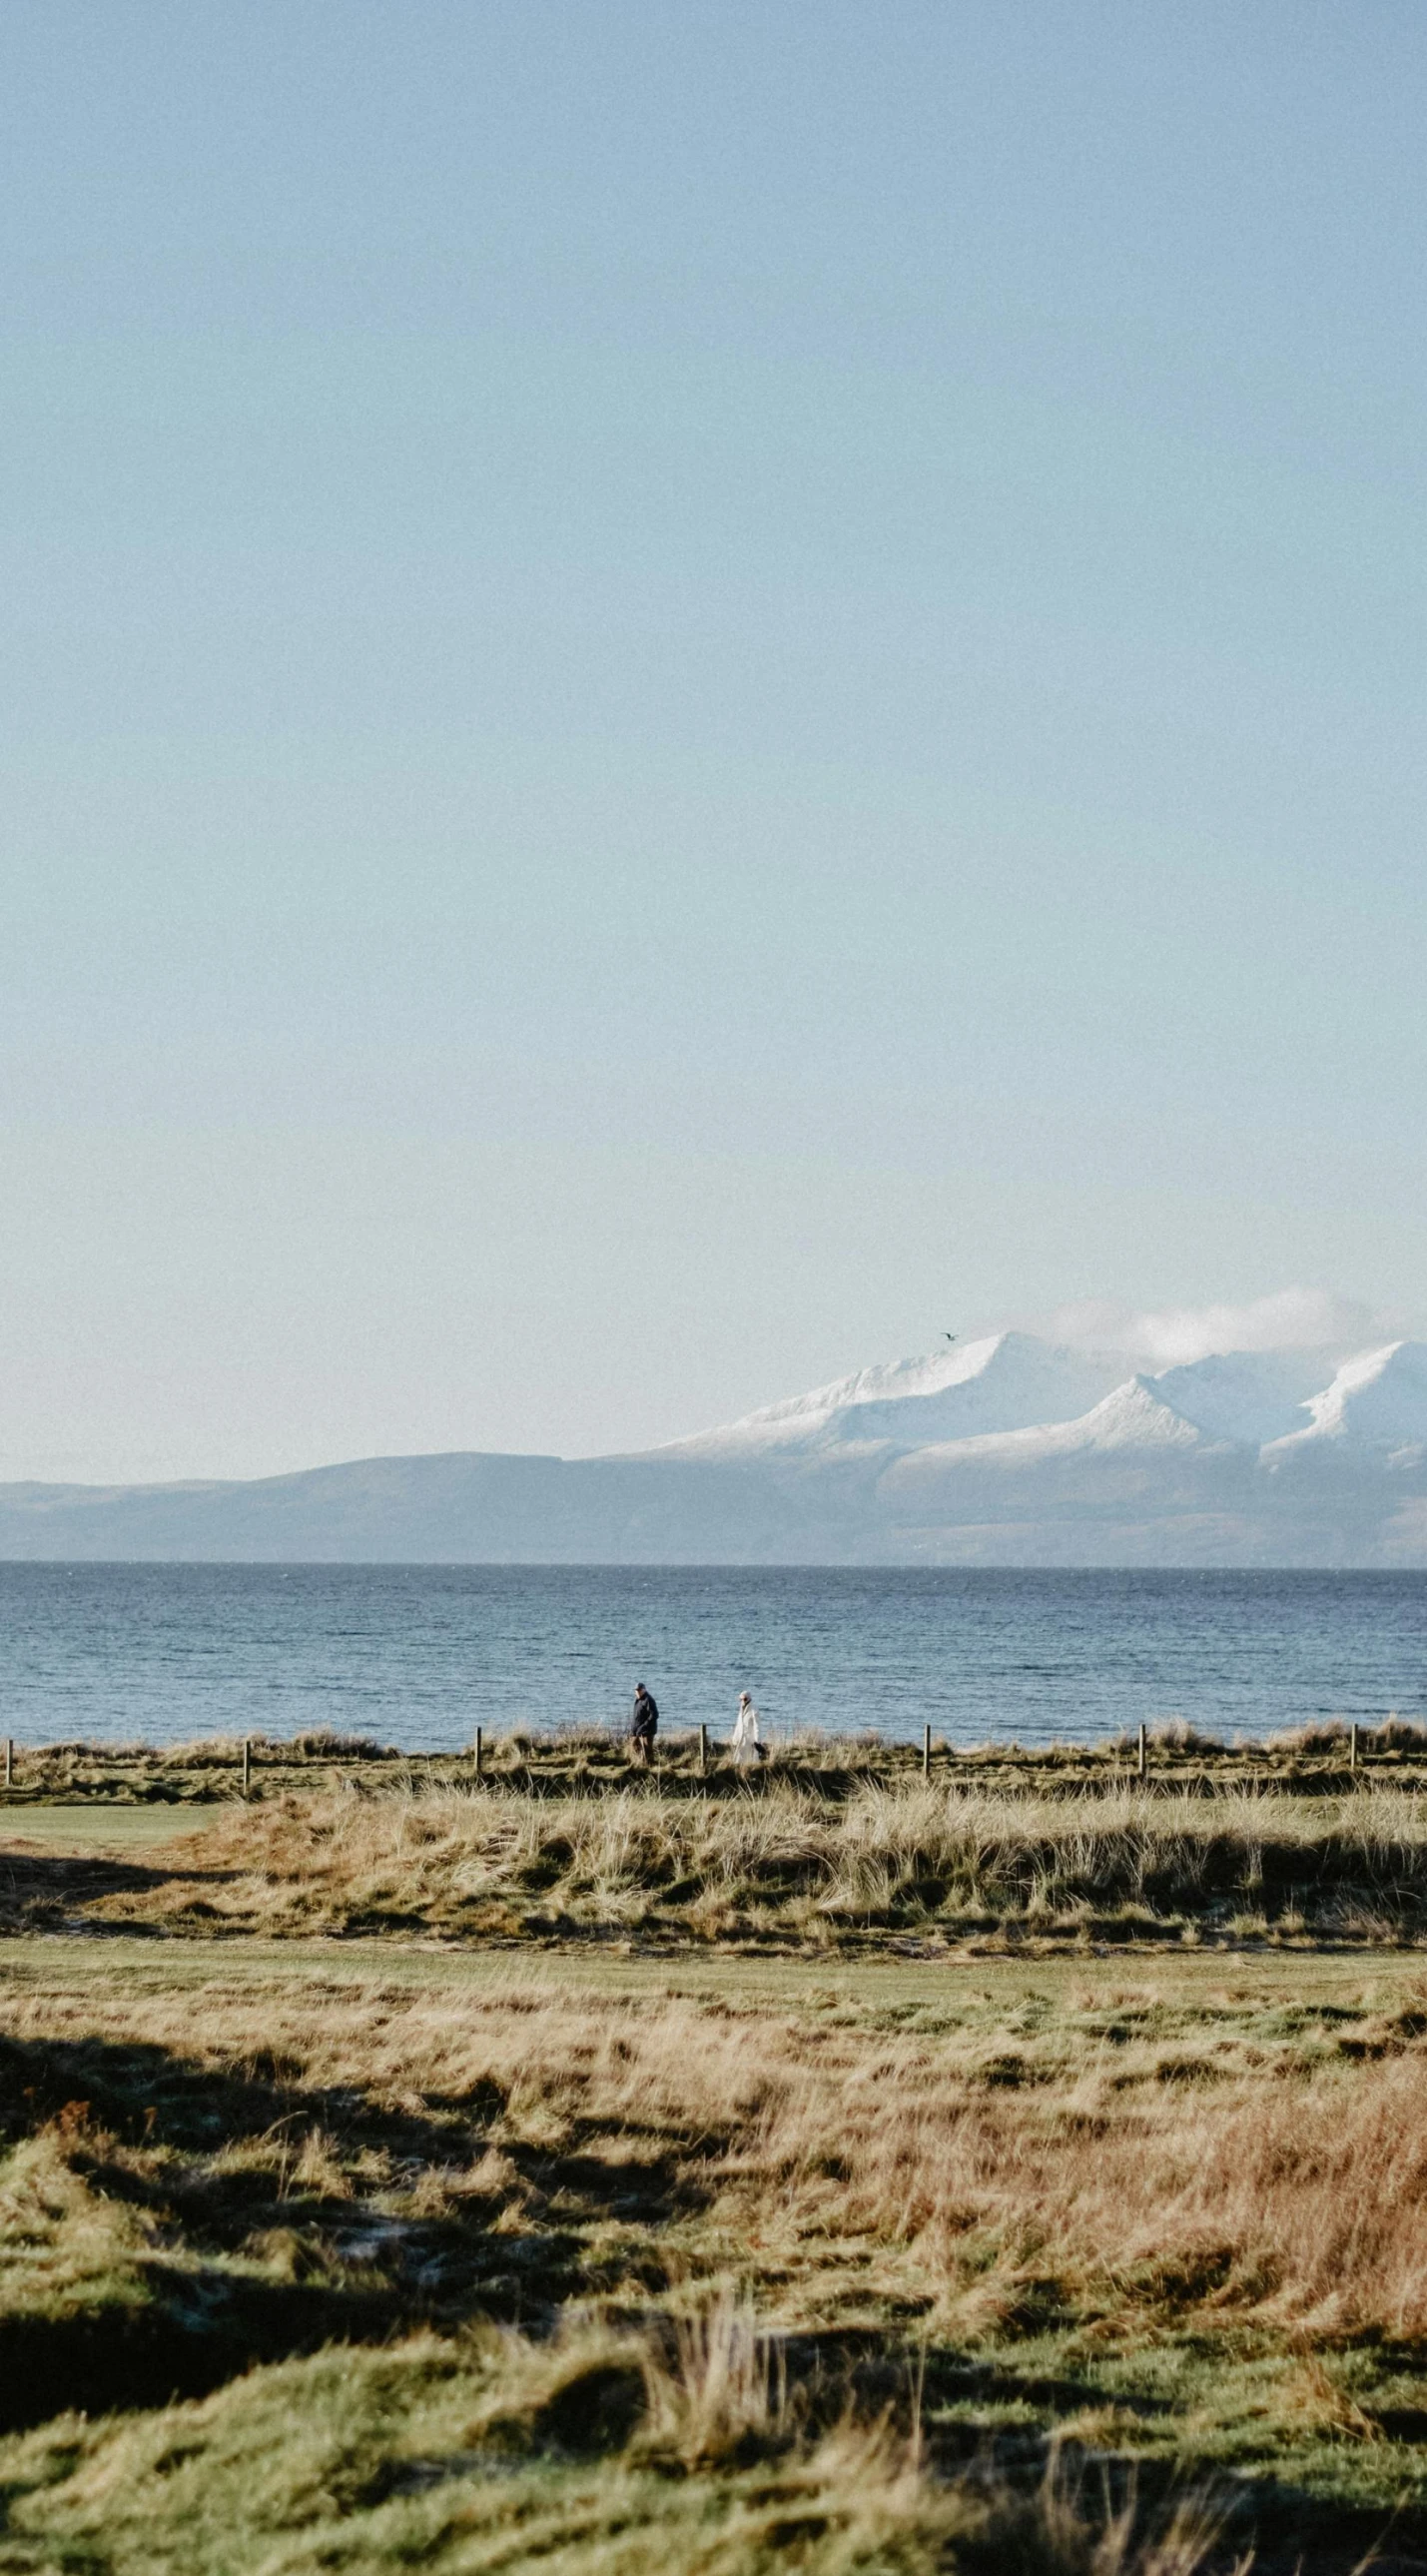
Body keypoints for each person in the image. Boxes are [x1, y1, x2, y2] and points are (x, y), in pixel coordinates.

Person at [731, 1690, 763, 1770]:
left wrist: (757, 1741)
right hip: (741, 1741)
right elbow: (738, 1725)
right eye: (741, 1699)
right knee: (737, 1762)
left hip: (750, 1741)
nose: (742, 1701)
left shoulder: (754, 1710)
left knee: (750, 1763)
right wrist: (735, 1739)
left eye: (744, 1699)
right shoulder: (741, 1710)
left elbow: (757, 1726)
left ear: (748, 1699)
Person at [630, 1681, 659, 1765]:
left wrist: (644, 1726)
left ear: (644, 1690)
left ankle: (651, 1766)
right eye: (636, 1690)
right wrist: (634, 1729)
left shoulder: (648, 1700)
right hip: (638, 1730)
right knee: (634, 1745)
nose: (638, 1692)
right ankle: (640, 1763)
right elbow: (637, 1716)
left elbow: (654, 1715)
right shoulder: (638, 1700)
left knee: (647, 1750)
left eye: (639, 1690)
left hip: (648, 1730)